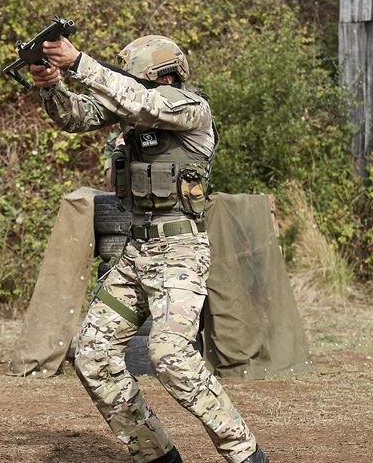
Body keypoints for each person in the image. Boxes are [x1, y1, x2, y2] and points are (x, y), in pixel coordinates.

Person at [29, 35, 269, 463]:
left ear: (164, 76)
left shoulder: (189, 108)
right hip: (135, 255)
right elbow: (75, 116)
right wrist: (51, 84)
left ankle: (245, 454)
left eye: (135, 77)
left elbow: (142, 103)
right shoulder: (133, 108)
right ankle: (157, 455)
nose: (128, 84)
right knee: (92, 356)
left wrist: (81, 63)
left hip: (179, 253)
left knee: (170, 353)